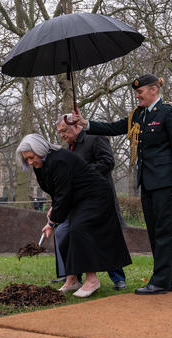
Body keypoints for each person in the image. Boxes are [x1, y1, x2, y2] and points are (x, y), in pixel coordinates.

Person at [74, 74, 172, 294]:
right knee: (156, 232)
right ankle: (169, 278)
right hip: (147, 182)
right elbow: (115, 127)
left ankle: (160, 281)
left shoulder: (169, 112)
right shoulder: (138, 114)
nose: (137, 95)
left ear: (154, 90)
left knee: (165, 232)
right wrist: (85, 123)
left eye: (140, 92)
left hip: (167, 183)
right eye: (136, 92)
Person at [16, 133, 132, 298]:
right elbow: (58, 192)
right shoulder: (41, 166)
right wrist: (54, 210)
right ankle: (72, 280)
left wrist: (52, 222)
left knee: (79, 230)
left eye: (31, 157)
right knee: (63, 232)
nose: (29, 162)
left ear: (40, 150)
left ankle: (92, 280)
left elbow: (64, 193)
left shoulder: (59, 160)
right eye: (26, 159)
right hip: (77, 198)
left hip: (96, 196)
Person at [54, 115, 127, 290]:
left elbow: (108, 162)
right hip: (79, 202)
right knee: (66, 233)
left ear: (76, 126)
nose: (62, 135)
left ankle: (118, 278)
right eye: (60, 132)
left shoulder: (95, 137)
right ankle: (72, 276)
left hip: (101, 198)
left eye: (64, 130)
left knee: (106, 236)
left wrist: (82, 173)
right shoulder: (68, 148)